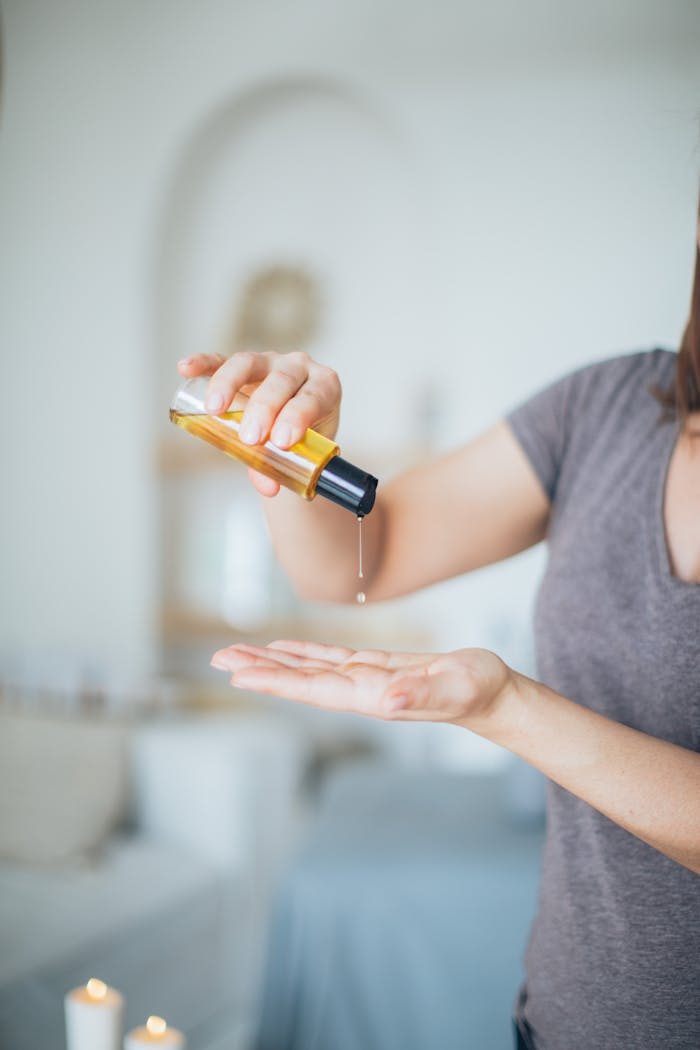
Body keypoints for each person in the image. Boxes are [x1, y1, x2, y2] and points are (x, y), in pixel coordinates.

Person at [177, 207, 700, 1050]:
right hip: (557, 1023)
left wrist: (507, 708)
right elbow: (363, 554)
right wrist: (284, 449)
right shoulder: (608, 410)